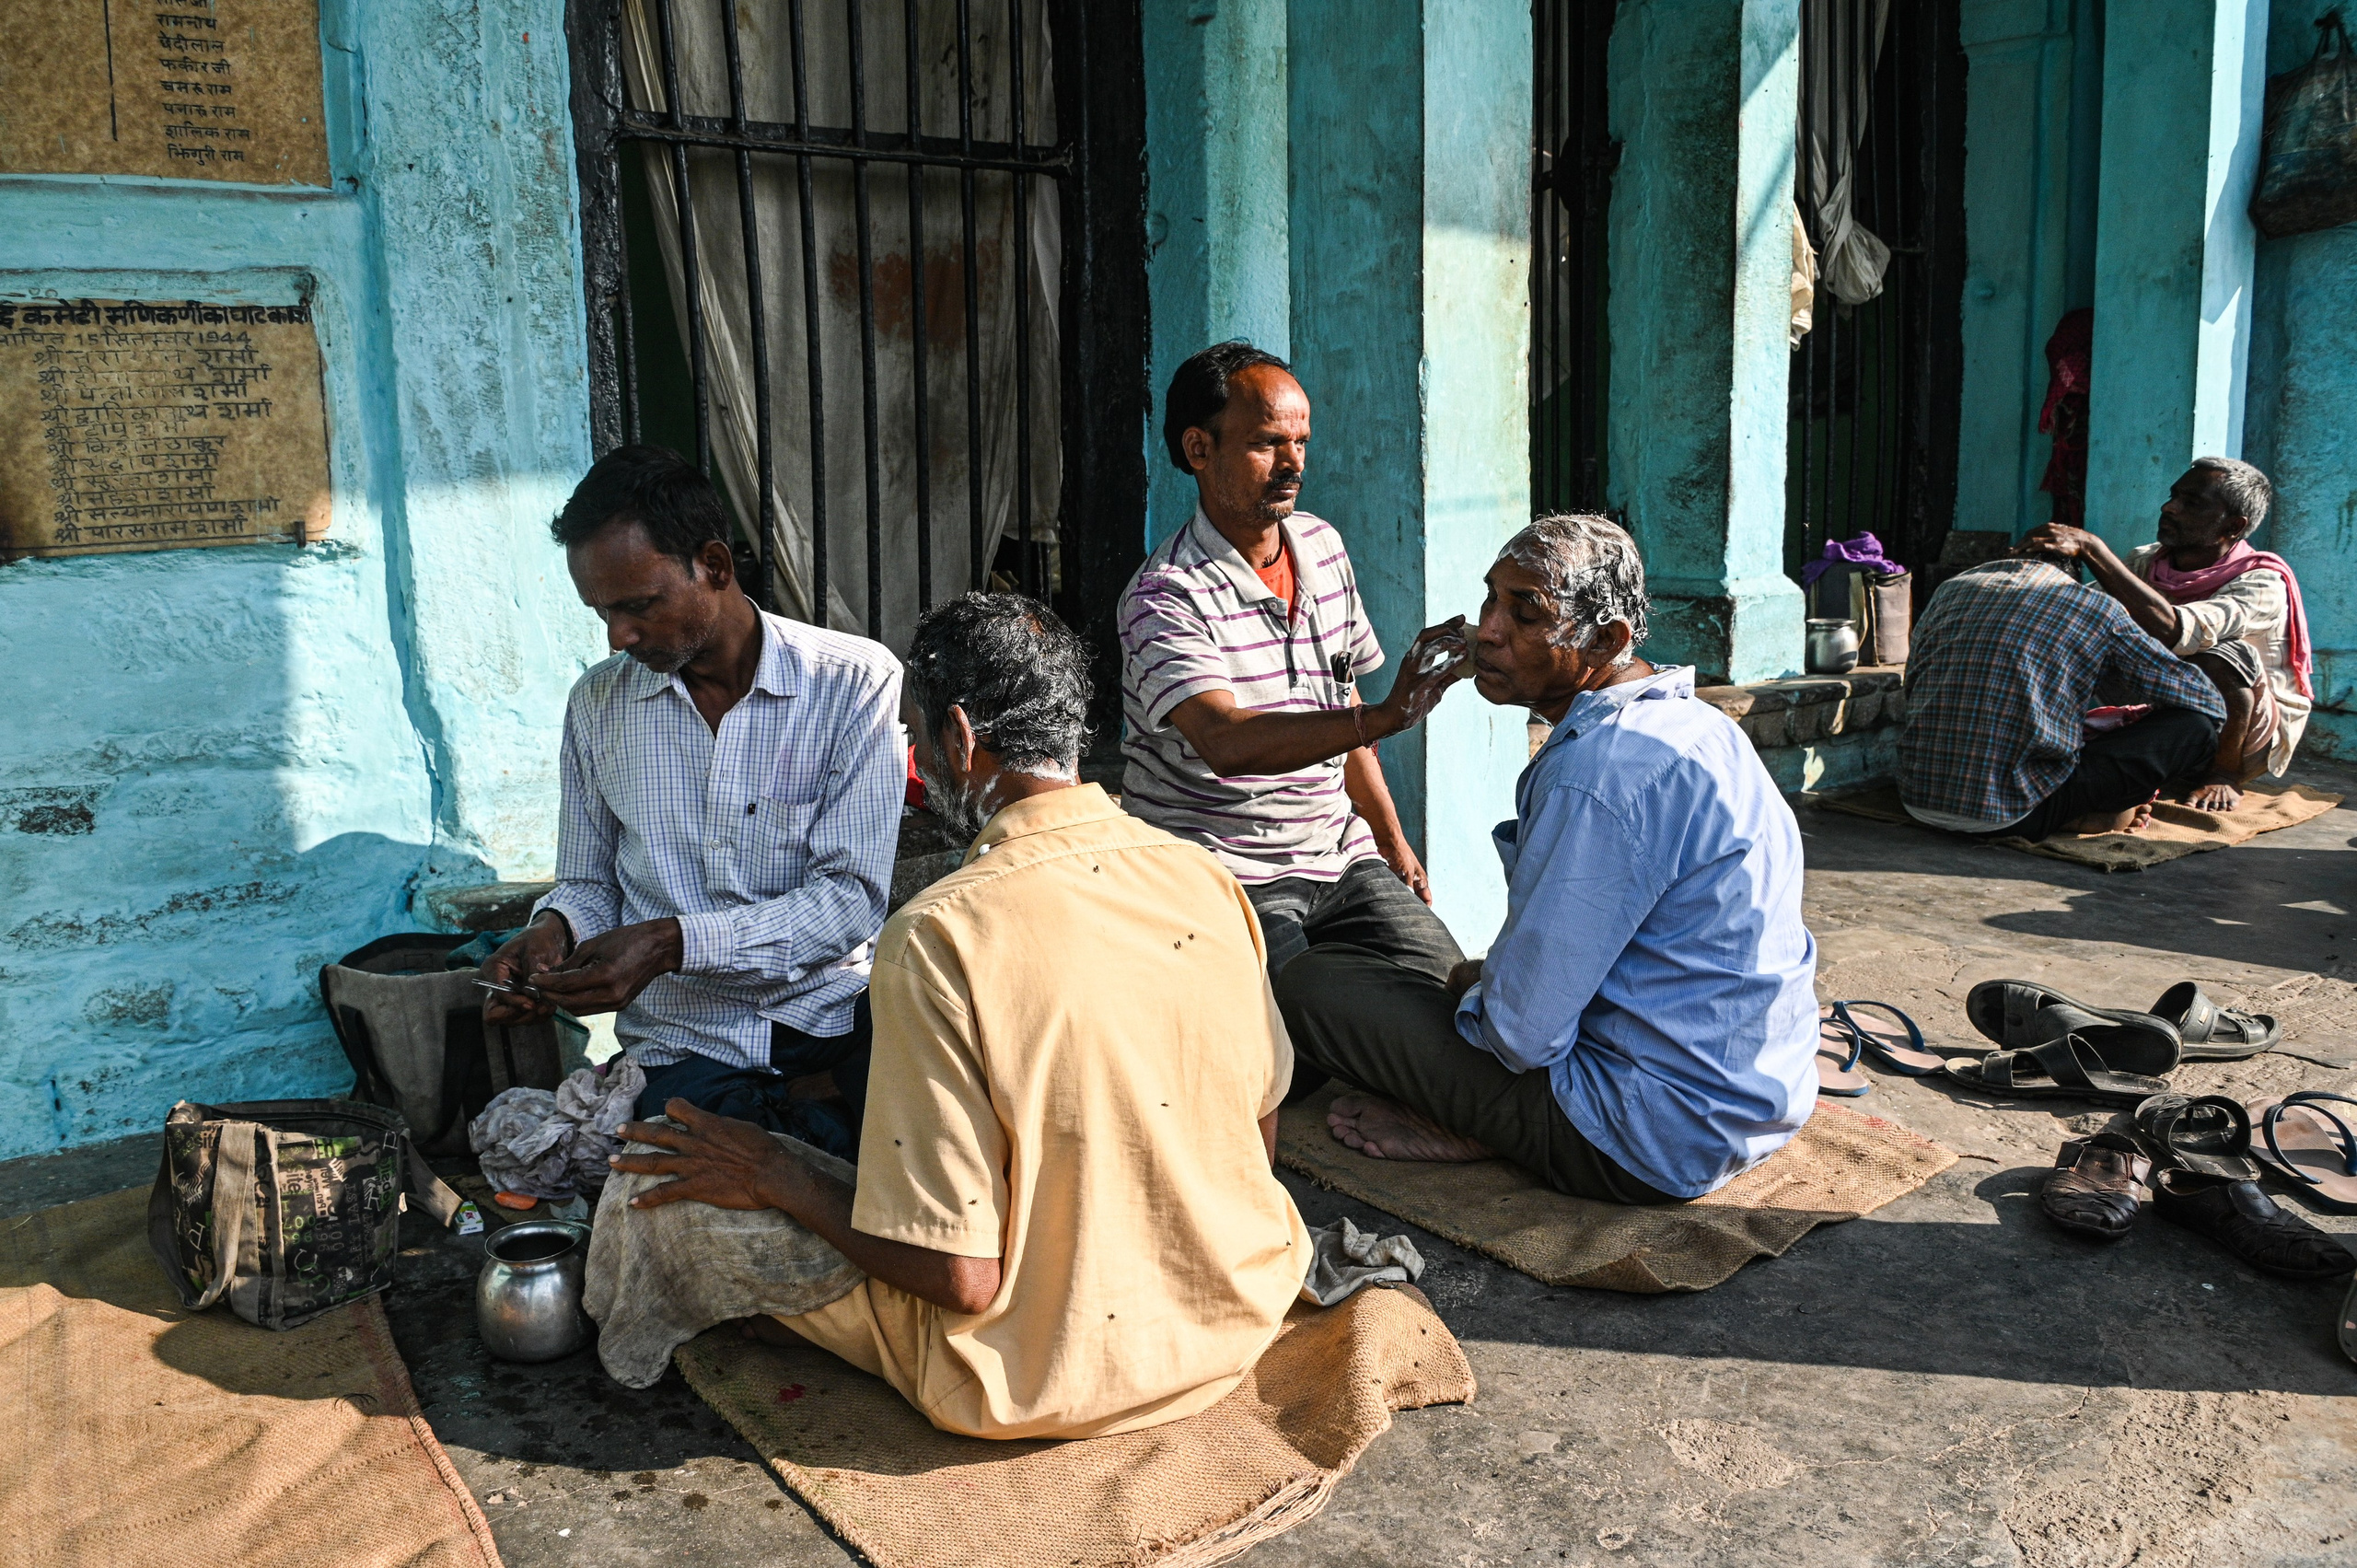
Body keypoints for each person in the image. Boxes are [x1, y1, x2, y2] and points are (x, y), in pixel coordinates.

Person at [609, 593, 1312, 1440]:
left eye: (918, 737)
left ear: (960, 740)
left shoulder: (939, 934)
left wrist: (774, 1174)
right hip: (1235, 1314)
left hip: (1042, 1375)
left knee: (658, 1203)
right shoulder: (1204, 876)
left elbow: (964, 1277)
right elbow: (1256, 1145)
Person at [1271, 517, 1820, 1203]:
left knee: (1313, 984)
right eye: (1491, 601)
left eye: (1525, 612)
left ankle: (1494, 1126)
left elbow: (1519, 1037)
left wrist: (1483, 998)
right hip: (1757, 1102)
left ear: (1607, 640)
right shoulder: (1701, 729)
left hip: (1645, 1138)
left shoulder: (1601, 771)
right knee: (1445, 979)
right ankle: (1492, 1111)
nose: (1489, 631)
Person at [481, 446, 903, 1159]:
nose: (620, 635)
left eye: (639, 605)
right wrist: (552, 931)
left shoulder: (853, 683)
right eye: (603, 612)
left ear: (713, 565)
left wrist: (672, 942)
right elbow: (589, 882)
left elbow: (849, 900)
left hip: (825, 1034)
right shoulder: (598, 704)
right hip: (682, 1048)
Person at [1117, 341, 1468, 988]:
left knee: (1453, 989)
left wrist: (1390, 839)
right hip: (1221, 870)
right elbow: (1225, 740)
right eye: (1266, 444)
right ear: (1199, 450)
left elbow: (1342, 707)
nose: (1292, 463)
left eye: (1301, 441)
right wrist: (1384, 716)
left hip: (1338, 857)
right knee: (1302, 1026)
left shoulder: (1322, 546)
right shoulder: (1164, 596)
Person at [2020, 457, 2312, 812]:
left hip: (2245, 735)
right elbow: (2084, 610)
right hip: (2170, 707)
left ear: (2233, 526)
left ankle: (2221, 774)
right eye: (2174, 496)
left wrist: (2093, 550)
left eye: (2192, 503)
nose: (2169, 508)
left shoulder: (2262, 581)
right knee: (2083, 632)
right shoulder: (2146, 562)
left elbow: (2179, 631)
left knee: (2221, 653)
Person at [1899, 528, 2228, 841]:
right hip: (2012, 812)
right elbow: (2206, 702)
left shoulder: (1949, 590)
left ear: (2013, 557)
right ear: (2073, 574)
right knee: (2197, 728)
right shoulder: (2095, 606)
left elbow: (1912, 685)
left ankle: (2078, 810)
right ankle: (2084, 814)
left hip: (1916, 798)